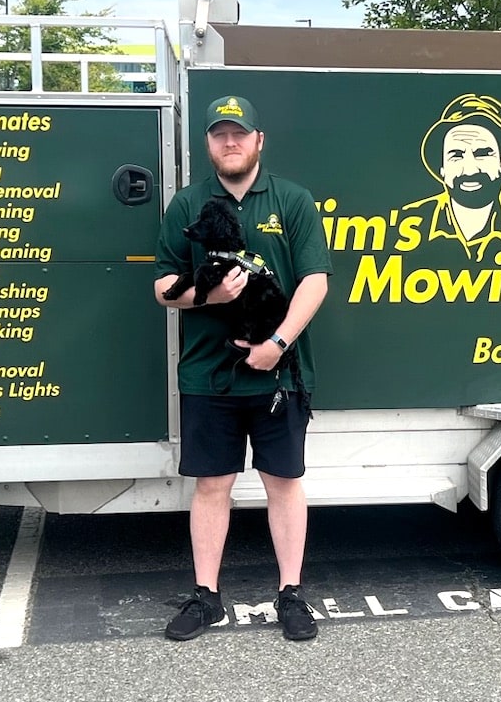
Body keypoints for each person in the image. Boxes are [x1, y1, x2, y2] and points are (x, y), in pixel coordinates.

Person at [153, 95, 332, 642]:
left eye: (239, 133)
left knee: (283, 483)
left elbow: (315, 281)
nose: (229, 143)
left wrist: (277, 343)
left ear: (259, 140)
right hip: (209, 374)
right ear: (207, 143)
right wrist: (206, 296)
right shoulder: (187, 204)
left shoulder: (292, 200)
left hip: (278, 372)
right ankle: (206, 598)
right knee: (212, 485)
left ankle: (292, 594)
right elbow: (163, 288)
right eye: (218, 134)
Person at [403, 93, 501, 262]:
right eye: (456, 155)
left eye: (482, 154)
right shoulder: (409, 225)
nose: (470, 170)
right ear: (442, 168)